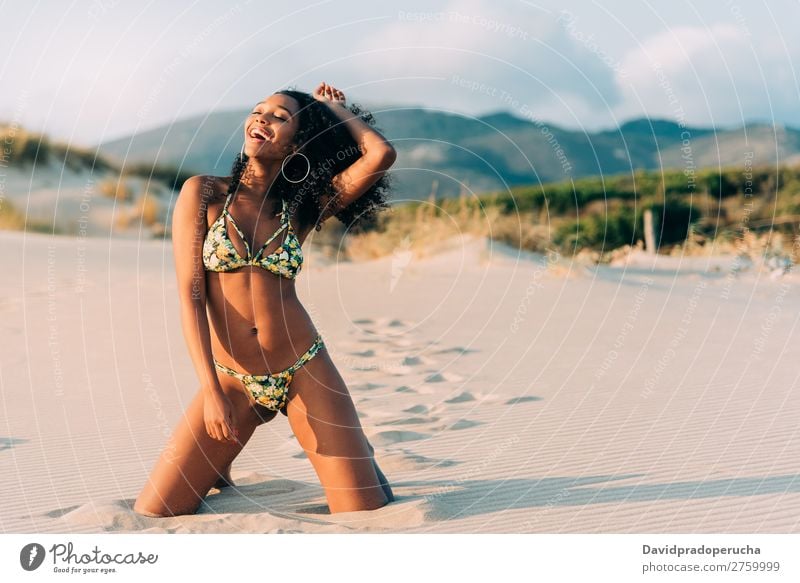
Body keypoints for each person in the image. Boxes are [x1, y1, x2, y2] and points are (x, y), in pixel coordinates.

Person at [133, 82, 397, 516]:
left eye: (279, 116)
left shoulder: (305, 205)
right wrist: (210, 390)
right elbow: (191, 293)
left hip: (303, 368)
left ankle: (354, 449)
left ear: (300, 141)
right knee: (157, 510)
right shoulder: (204, 193)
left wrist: (333, 109)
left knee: (362, 511)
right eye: (258, 111)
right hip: (232, 380)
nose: (262, 118)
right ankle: (223, 463)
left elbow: (380, 155)